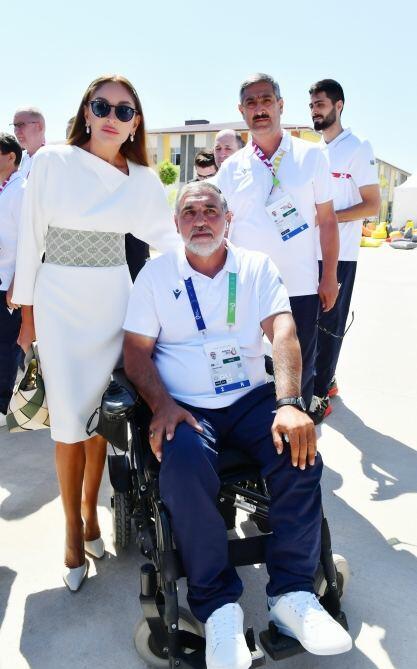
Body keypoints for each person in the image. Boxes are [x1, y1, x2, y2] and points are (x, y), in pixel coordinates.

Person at [123, 181, 352, 669]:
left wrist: (290, 403)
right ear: (176, 224)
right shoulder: (155, 275)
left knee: (300, 455)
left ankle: (292, 596)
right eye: (189, 212)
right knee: (182, 469)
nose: (200, 220)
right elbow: (136, 353)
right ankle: (218, 608)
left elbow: (283, 331)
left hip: (250, 398)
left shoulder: (255, 267)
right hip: (186, 406)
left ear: (228, 219)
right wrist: (161, 405)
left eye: (210, 210)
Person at [12, 74, 178, 592]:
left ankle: (90, 516)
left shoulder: (142, 180)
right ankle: (70, 534)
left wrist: (224, 253)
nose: (111, 117)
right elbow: (30, 237)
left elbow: (170, 241)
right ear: (86, 112)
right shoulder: (51, 161)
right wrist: (27, 316)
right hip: (59, 302)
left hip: (113, 300)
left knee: (101, 417)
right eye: (102, 106)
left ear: (135, 124)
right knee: (68, 424)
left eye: (124, 111)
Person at [214, 73, 339, 410]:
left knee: (300, 368)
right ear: (241, 110)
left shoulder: (312, 156)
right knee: (241, 364)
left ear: (280, 105)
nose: (259, 109)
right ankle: (248, 430)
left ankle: (299, 429)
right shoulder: (231, 168)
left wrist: (329, 276)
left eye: (266, 100)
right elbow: (219, 228)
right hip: (242, 286)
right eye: (251, 103)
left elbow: (327, 221)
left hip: (299, 285)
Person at [308, 79, 381, 423]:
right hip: (309, 252)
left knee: (329, 323)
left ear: (339, 106)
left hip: (341, 254)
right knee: (310, 322)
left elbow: (372, 205)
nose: (315, 111)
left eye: (321, 104)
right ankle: (327, 378)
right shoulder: (316, 152)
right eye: (312, 106)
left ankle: (320, 395)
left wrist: (328, 219)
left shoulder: (358, 148)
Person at [0, 134, 25, 427]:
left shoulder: (21, 191)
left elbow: (30, 241)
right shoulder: (4, 189)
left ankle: (3, 403)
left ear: (11, 157)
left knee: (6, 346)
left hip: (9, 283)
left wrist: (18, 283)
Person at [11, 107, 46, 177]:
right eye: (15, 126)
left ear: (39, 126)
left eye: (21, 125)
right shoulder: (18, 159)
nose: (16, 131)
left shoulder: (52, 158)